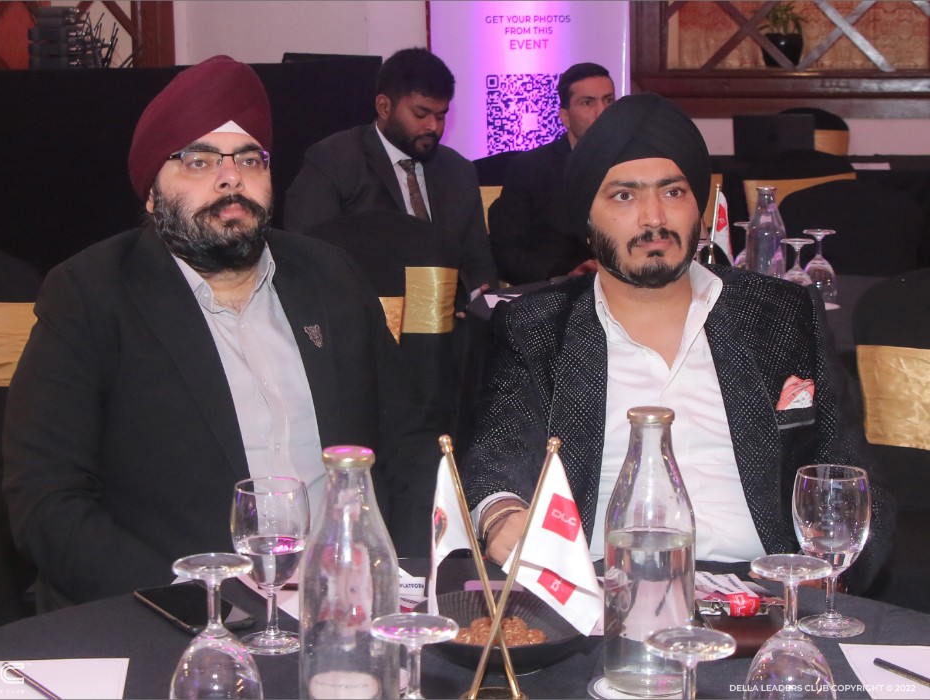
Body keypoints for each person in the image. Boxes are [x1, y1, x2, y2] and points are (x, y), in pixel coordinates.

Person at [2, 56, 438, 610]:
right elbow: (46, 502)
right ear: (152, 193)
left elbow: (408, 443)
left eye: (250, 159)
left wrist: (403, 577)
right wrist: (197, 603)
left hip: (343, 607)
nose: (231, 178)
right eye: (199, 160)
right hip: (174, 615)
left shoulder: (330, 277)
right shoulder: (92, 294)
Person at [461, 93, 893, 592]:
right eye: (624, 196)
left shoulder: (781, 313)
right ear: (587, 221)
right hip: (603, 590)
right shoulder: (538, 328)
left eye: (672, 192)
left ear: (699, 211)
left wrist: (827, 585)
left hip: (768, 592)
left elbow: (854, 477)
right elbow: (496, 460)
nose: (653, 218)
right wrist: (501, 514)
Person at [283, 47, 498, 306]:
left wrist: (478, 300)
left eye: (441, 116)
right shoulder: (334, 161)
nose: (432, 126)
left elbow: (478, 261)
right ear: (384, 107)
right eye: (420, 114)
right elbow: (306, 251)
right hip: (366, 311)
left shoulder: (459, 171)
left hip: (450, 316)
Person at [488, 63, 616, 285]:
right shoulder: (529, 169)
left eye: (608, 101)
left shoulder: (636, 166)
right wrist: (562, 276)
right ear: (565, 117)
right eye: (587, 102)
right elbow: (506, 252)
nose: (602, 112)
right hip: (556, 289)